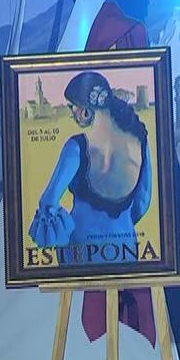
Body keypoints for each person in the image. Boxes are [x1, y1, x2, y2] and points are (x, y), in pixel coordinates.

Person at [28, 71, 152, 266]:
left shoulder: (76, 147)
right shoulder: (140, 142)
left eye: (72, 108)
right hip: (126, 250)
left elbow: (49, 201)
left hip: (80, 253)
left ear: (85, 110)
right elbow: (143, 202)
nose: (72, 114)